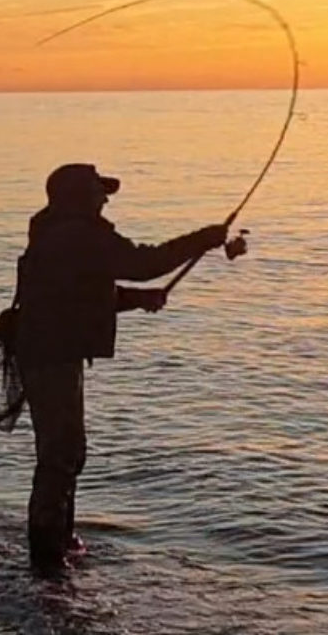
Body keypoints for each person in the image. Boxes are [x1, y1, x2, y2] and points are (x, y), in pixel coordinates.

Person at [17, 162, 230, 576]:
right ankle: (46, 556)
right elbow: (144, 262)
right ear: (80, 197)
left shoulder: (56, 234)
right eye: (99, 191)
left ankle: (59, 539)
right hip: (52, 354)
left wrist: (137, 300)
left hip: (46, 350)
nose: (105, 198)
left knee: (66, 450)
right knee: (61, 453)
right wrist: (204, 238)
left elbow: (80, 291)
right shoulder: (81, 235)